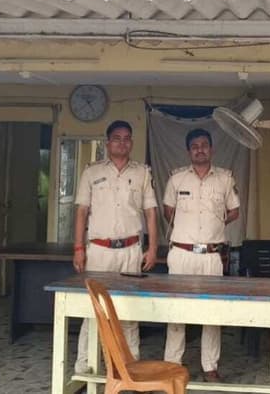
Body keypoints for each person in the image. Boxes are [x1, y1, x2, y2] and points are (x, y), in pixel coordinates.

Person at [72, 120, 158, 374]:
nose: (122, 142)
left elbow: (151, 212)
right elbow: (81, 212)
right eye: (117, 138)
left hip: (130, 251)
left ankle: (129, 368)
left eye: (127, 138)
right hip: (99, 252)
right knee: (93, 311)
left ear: (132, 142)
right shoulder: (92, 172)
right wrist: (78, 248)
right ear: (108, 142)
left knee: (129, 311)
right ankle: (85, 368)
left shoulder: (142, 173)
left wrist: (153, 248)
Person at [162, 128, 240, 382]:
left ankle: (210, 367)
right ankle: (172, 365)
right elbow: (168, 210)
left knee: (211, 313)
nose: (200, 150)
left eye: (204, 145)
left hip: (211, 256)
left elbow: (234, 211)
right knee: (176, 311)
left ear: (211, 149)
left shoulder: (225, 179)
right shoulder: (177, 179)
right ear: (189, 151)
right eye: (194, 146)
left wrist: (213, 226)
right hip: (182, 254)